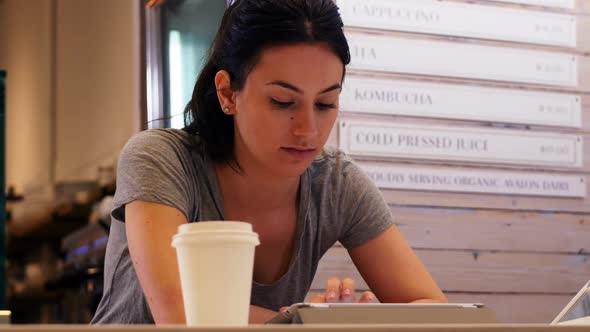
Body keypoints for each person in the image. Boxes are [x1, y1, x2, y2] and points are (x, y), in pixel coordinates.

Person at [91, 0, 447, 325]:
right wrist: (312, 323)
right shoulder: (160, 160)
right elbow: (183, 316)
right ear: (228, 92)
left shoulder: (336, 182)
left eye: (325, 104)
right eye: (282, 102)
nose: (308, 130)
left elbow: (433, 308)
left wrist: (366, 322)